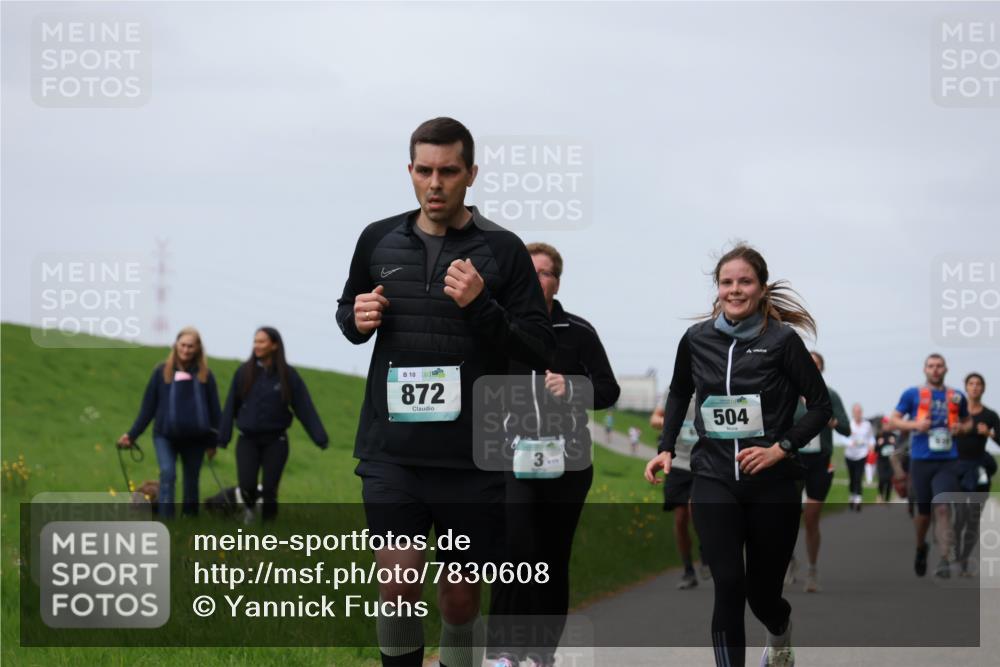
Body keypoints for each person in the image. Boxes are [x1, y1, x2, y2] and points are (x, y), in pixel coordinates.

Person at [335, 118, 555, 667]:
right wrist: (357, 319)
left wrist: (482, 305)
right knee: (398, 584)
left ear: (471, 174)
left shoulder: (502, 252)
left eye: (449, 171)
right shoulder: (376, 238)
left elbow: (537, 346)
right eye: (424, 171)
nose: (436, 183)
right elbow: (347, 310)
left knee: (459, 600)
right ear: (410, 172)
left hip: (470, 461)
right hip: (392, 453)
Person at [644, 244, 832, 667]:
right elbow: (678, 391)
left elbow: (821, 407)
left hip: (772, 484)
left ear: (762, 288)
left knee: (763, 596)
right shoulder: (696, 340)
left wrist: (779, 450)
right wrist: (666, 448)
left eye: (744, 281)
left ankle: (780, 637)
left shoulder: (782, 342)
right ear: (717, 288)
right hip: (712, 477)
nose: (735, 289)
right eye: (727, 282)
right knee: (728, 583)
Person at [489, 242, 620, 667]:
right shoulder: (498, 327)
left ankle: (541, 653)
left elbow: (609, 390)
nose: (535, 278)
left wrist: (573, 387)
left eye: (544, 272)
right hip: (512, 457)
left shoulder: (578, 332)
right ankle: (504, 651)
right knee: (515, 550)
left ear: (556, 281)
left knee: (551, 555)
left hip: (568, 461)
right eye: (527, 270)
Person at [217, 327, 328, 521]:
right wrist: (223, 437)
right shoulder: (244, 372)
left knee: (270, 489)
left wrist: (319, 437)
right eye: (255, 341)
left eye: (262, 342)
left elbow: (304, 407)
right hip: (247, 440)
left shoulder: (288, 375)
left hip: (276, 441)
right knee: (247, 485)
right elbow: (230, 407)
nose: (257, 345)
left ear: (274, 345)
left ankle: (269, 529)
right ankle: (249, 512)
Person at [118, 326, 221, 519]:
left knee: (192, 480)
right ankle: (167, 520)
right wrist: (132, 435)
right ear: (176, 345)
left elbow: (215, 411)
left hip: (196, 438)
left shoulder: (206, 375)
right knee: (167, 474)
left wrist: (213, 442)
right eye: (182, 345)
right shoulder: (160, 372)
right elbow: (148, 409)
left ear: (198, 348)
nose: (186, 350)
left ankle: (190, 519)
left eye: (190, 346)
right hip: (165, 436)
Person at [888, 354, 972, 578]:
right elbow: (893, 420)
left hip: (947, 461)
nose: (935, 370)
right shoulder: (912, 394)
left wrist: (961, 429)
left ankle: (944, 559)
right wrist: (915, 424)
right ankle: (920, 547)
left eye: (939, 366)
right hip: (921, 460)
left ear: (946, 369)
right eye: (931, 366)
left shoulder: (956, 396)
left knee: (943, 508)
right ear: (925, 370)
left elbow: (968, 420)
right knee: (923, 514)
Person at [784, 350, 849, 593]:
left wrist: (833, 422)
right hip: (792, 460)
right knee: (786, 517)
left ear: (821, 369)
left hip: (820, 462)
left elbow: (847, 429)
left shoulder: (829, 395)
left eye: (816, 365)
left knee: (811, 518)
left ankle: (812, 569)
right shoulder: (786, 393)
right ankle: (789, 561)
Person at [652, 399, 709, 589]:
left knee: (696, 510)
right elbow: (654, 419)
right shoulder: (672, 391)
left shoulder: (707, 381)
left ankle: (705, 552)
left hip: (702, 460)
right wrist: (671, 423)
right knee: (680, 519)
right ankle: (688, 570)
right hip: (677, 462)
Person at [953, 372, 999, 576]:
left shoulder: (990, 416)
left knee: (973, 517)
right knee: (960, 516)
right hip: (956, 467)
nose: (974, 387)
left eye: (978, 384)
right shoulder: (955, 412)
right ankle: (955, 556)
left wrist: (988, 433)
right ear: (965, 387)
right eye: (971, 384)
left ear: (983, 388)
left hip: (979, 467)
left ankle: (964, 560)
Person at [845, 404, 874, 512]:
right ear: (853, 413)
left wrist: (871, 445)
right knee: (852, 478)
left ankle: (858, 500)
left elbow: (871, 438)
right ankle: (852, 496)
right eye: (856, 412)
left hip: (862, 454)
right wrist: (849, 442)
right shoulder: (849, 424)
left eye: (860, 412)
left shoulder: (867, 425)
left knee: (858, 477)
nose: (858, 414)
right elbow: (843, 437)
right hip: (850, 455)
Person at [874, 418, 899, 503]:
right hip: (881, 460)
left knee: (889, 480)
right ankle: (880, 495)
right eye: (885, 424)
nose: (886, 426)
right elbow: (875, 450)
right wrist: (878, 444)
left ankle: (887, 499)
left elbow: (898, 449)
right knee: (882, 479)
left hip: (891, 461)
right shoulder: (879, 435)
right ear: (882, 425)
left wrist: (894, 443)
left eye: (887, 424)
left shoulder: (893, 436)